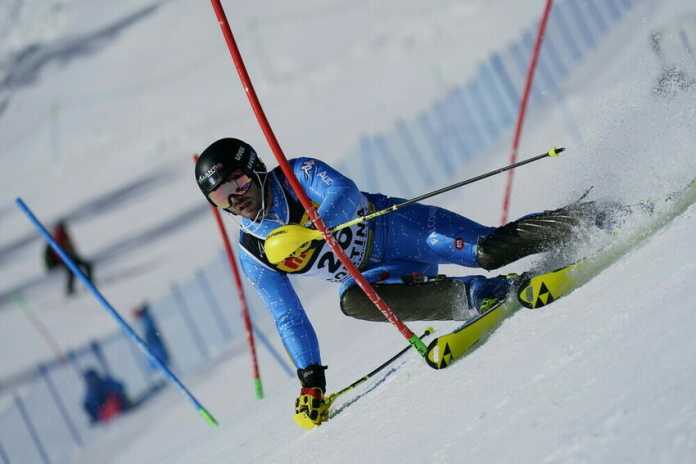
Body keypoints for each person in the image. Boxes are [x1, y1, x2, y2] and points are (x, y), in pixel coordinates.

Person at [195, 138, 614, 427]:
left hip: (399, 229)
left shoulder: (294, 176)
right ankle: (481, 295)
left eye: (238, 182)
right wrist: (311, 381)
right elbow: (288, 317)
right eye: (221, 197)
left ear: (255, 169)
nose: (236, 198)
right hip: (377, 275)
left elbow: (345, 192)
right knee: (352, 301)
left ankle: (591, 217)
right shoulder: (254, 251)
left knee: (488, 250)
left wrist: (318, 227)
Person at [43, 220, 94, 296]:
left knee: (83, 267)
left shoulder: (64, 236)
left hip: (70, 258)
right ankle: (71, 289)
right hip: (64, 260)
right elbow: (59, 252)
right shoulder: (58, 237)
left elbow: (71, 248)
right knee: (72, 272)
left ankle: (87, 283)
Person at [133, 302, 170, 370]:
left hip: (154, 346)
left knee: (150, 330)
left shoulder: (156, 365)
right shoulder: (161, 362)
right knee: (151, 330)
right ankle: (145, 314)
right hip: (155, 346)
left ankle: (144, 315)